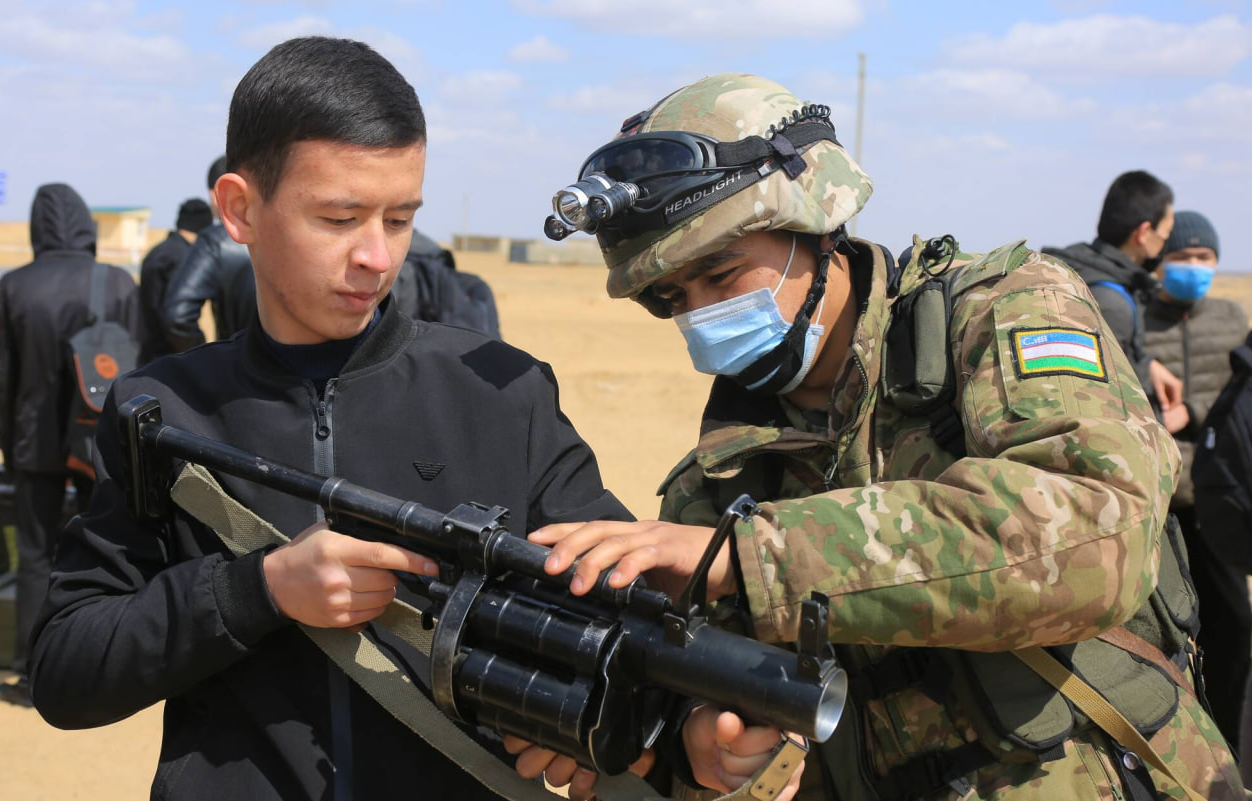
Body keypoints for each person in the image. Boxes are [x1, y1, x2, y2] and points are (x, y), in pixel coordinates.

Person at [518, 74, 1243, 800]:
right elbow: (732, 727)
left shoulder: (999, 308)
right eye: (674, 297)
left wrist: (759, 557)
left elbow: (1097, 534)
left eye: (720, 273)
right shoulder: (718, 481)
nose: (702, 314)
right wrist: (707, 754)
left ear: (817, 223)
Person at [28, 36, 632, 800]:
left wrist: (590, 718)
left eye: (401, 217)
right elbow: (67, 669)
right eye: (341, 217)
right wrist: (256, 589)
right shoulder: (160, 409)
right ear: (240, 210)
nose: (378, 258)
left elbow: (618, 623)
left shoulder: (504, 392)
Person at [0, 182, 139, 707]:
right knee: (110, 549)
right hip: (100, 442)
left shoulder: (14, 286)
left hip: (34, 445)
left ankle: (32, 676)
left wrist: (12, 451)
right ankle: (109, 664)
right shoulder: (117, 281)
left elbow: (3, 377)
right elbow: (137, 373)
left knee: (35, 555)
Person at [1144, 210, 1251, 750]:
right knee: (1163, 639)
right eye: (1181, 257)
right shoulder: (1138, 322)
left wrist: (1194, 408)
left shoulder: (1232, 319)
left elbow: (1244, 401)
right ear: (1160, 263)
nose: (1192, 267)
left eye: (1203, 258)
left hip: (1214, 505)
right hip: (1160, 509)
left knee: (1233, 631)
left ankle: (1229, 749)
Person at [1043, 171, 1185, 418]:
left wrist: (1146, 364)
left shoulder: (1079, 271)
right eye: (1165, 235)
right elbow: (1108, 403)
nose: (1165, 245)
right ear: (1143, 233)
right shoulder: (1112, 303)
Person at [160, 156, 257, 351]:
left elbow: (177, 317)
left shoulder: (214, 242)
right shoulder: (287, 235)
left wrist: (206, 359)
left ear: (219, 192)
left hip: (237, 369)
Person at [136, 197, 212, 364]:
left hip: (148, 353)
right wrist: (200, 347)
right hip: (172, 359)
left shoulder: (158, 251)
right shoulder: (186, 258)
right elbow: (178, 319)